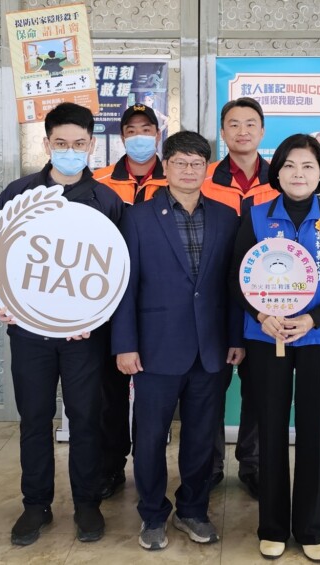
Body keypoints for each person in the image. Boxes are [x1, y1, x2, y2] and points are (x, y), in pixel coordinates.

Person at [0, 102, 124, 546]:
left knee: (85, 418)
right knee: (35, 418)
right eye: (60, 144)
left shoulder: (107, 199)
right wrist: (4, 300)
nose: (69, 151)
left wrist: (96, 314)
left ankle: (86, 502)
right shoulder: (18, 194)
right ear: (47, 144)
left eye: (78, 144)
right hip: (29, 334)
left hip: (85, 337)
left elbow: (119, 271)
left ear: (91, 146)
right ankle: (35, 505)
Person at [230, 133, 320, 561]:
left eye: (307, 166)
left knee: (312, 434)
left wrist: (313, 319)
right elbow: (235, 279)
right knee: (269, 432)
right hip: (267, 338)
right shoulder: (254, 216)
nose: (298, 174)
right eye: (289, 165)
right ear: (278, 171)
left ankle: (310, 528)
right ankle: (271, 526)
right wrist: (260, 317)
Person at [111, 131, 244, 550]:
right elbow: (124, 287)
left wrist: (236, 338)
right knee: (149, 438)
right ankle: (152, 514)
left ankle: (192, 509)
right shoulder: (137, 217)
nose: (189, 170)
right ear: (165, 167)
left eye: (197, 164)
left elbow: (232, 285)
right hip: (153, 349)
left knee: (203, 438)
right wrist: (124, 344)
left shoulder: (226, 217)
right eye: (180, 163)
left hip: (211, 349)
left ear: (207, 169)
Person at [203, 97, 278, 498]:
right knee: (209, 387)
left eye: (251, 124)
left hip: (265, 302)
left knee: (260, 388)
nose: (243, 131)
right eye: (234, 124)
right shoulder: (205, 180)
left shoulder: (282, 179)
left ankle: (253, 463)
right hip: (212, 300)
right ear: (223, 131)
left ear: (262, 132)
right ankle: (209, 463)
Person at [93, 104, 168, 500]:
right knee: (112, 388)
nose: (139, 136)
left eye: (147, 129)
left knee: (156, 386)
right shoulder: (101, 181)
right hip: (109, 297)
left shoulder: (174, 177)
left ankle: (151, 462)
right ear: (122, 136)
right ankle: (111, 466)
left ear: (158, 133)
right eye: (131, 130)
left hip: (161, 296)